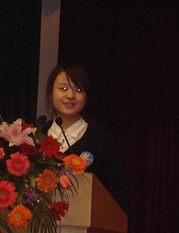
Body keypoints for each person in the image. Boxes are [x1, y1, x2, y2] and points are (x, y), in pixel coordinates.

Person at [42, 63, 128, 213]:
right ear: (51, 94)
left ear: (86, 97)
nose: (70, 95)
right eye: (63, 88)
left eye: (78, 90)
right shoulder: (34, 138)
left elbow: (116, 195)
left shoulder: (101, 140)